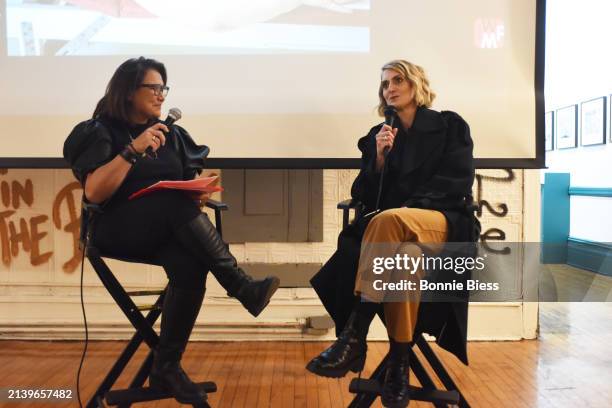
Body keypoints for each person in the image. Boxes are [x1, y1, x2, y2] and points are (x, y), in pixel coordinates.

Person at [63, 57, 280, 405]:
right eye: (154, 88)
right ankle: (239, 284)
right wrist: (133, 150)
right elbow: (95, 192)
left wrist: (199, 191)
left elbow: (191, 178)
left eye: (164, 88)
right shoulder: (101, 131)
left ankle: (167, 366)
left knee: (190, 262)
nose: (161, 95)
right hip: (114, 229)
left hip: (162, 228)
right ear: (129, 91)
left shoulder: (172, 135)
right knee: (170, 203)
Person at [306, 60, 479, 408]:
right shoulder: (379, 136)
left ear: (416, 85)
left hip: (443, 223)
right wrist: (381, 160)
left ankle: (355, 333)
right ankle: (399, 367)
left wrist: (409, 207)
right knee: (405, 260)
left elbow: (457, 181)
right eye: (385, 84)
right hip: (398, 242)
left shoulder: (449, 126)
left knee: (389, 220)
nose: (390, 88)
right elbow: (365, 195)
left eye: (397, 80)